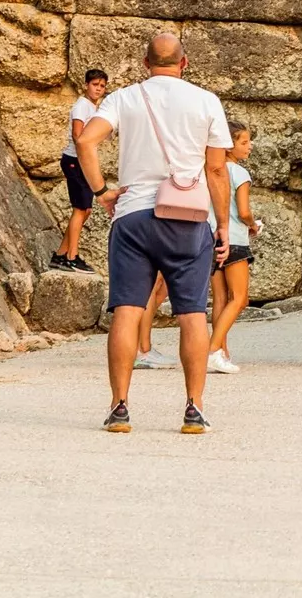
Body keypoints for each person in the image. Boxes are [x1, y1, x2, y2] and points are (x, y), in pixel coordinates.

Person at [73, 31, 232, 435]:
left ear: (146, 63)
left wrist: (101, 191)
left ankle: (119, 408)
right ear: (185, 63)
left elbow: (85, 141)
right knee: (194, 315)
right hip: (188, 219)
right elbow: (216, 170)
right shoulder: (206, 101)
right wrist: (224, 225)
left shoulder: (123, 98)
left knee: (127, 311)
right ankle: (194, 409)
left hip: (133, 215)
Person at [206, 120, 261, 375]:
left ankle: (221, 353)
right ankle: (213, 349)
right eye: (244, 142)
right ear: (229, 146)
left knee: (219, 299)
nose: (249, 147)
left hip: (212, 236)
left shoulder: (211, 169)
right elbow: (244, 211)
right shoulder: (240, 173)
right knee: (239, 298)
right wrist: (253, 224)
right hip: (235, 239)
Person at [53, 69, 107, 272]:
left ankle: (60, 255)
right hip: (76, 161)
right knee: (80, 210)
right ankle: (71, 257)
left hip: (82, 162)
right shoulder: (82, 106)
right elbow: (78, 135)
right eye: (95, 85)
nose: (98, 89)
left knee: (86, 210)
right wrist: (86, 160)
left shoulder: (93, 108)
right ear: (86, 85)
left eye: (102, 86)